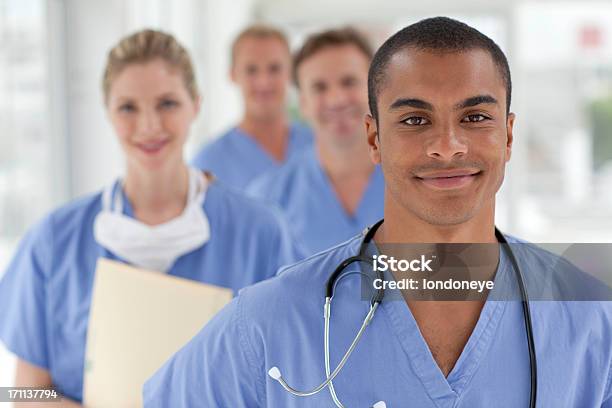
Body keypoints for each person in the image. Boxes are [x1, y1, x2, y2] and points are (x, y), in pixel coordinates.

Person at [143, 18, 612, 407]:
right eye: (414, 120)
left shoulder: (591, 319)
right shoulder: (270, 321)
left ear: (508, 136)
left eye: (475, 117)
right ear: (374, 139)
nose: (447, 146)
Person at [0, 29, 300, 406]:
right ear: (107, 111)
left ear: (196, 104)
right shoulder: (54, 241)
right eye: (128, 107)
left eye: (167, 104)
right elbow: (19, 391)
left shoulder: (260, 233)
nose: (149, 126)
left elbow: (294, 375)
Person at [246, 28, 384, 256]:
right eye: (319, 87)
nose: (337, 99)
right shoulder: (267, 199)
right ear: (303, 103)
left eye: (349, 82)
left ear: (376, 91)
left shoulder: (420, 183)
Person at [191, 24, 313, 190]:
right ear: (233, 74)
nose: (264, 82)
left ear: (291, 72)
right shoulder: (208, 164)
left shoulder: (317, 146)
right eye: (251, 70)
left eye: (274, 68)